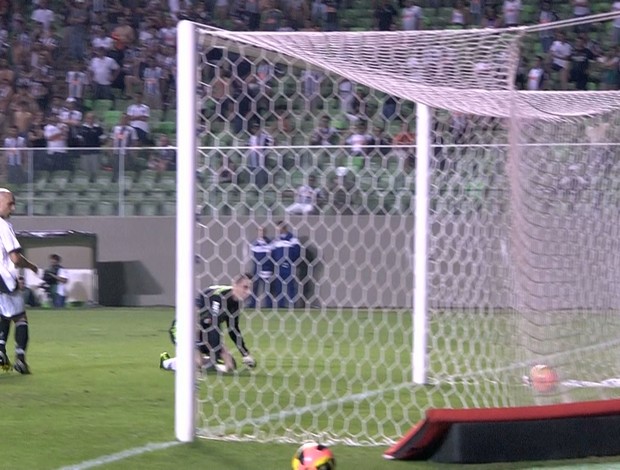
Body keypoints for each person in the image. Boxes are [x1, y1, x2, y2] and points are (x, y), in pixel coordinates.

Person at [160, 274, 256, 373]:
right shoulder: (219, 296)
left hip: (205, 331)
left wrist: (245, 354)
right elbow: (210, 324)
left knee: (230, 366)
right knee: (197, 364)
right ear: (235, 285)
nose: (248, 292)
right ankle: (167, 362)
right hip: (184, 330)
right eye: (245, 287)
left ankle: (205, 361)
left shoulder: (236, 303)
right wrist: (212, 352)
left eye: (249, 289)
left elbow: (233, 329)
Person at [0, 189, 39, 374]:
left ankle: (1, 352)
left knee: (4, 315)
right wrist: (31, 266)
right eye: (10, 203)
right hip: (5, 278)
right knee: (20, 317)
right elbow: (14, 258)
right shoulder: (3, 225)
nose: (13, 208)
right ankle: (20, 358)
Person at [271, 222, 301, 308]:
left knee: (290, 286)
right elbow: (272, 253)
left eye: (278, 228)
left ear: (283, 228)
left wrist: (291, 261)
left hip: (289, 266)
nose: (277, 230)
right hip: (278, 267)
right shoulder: (276, 240)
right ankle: (281, 305)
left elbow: (297, 252)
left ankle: (292, 305)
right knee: (279, 286)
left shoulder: (292, 239)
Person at [249, 227, 273, 309]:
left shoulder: (270, 243)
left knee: (267, 288)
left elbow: (271, 257)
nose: (261, 233)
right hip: (256, 269)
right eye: (259, 231)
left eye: (262, 231)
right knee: (254, 287)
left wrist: (268, 267)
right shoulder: (254, 243)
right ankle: (252, 304)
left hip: (266, 268)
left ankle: (269, 305)